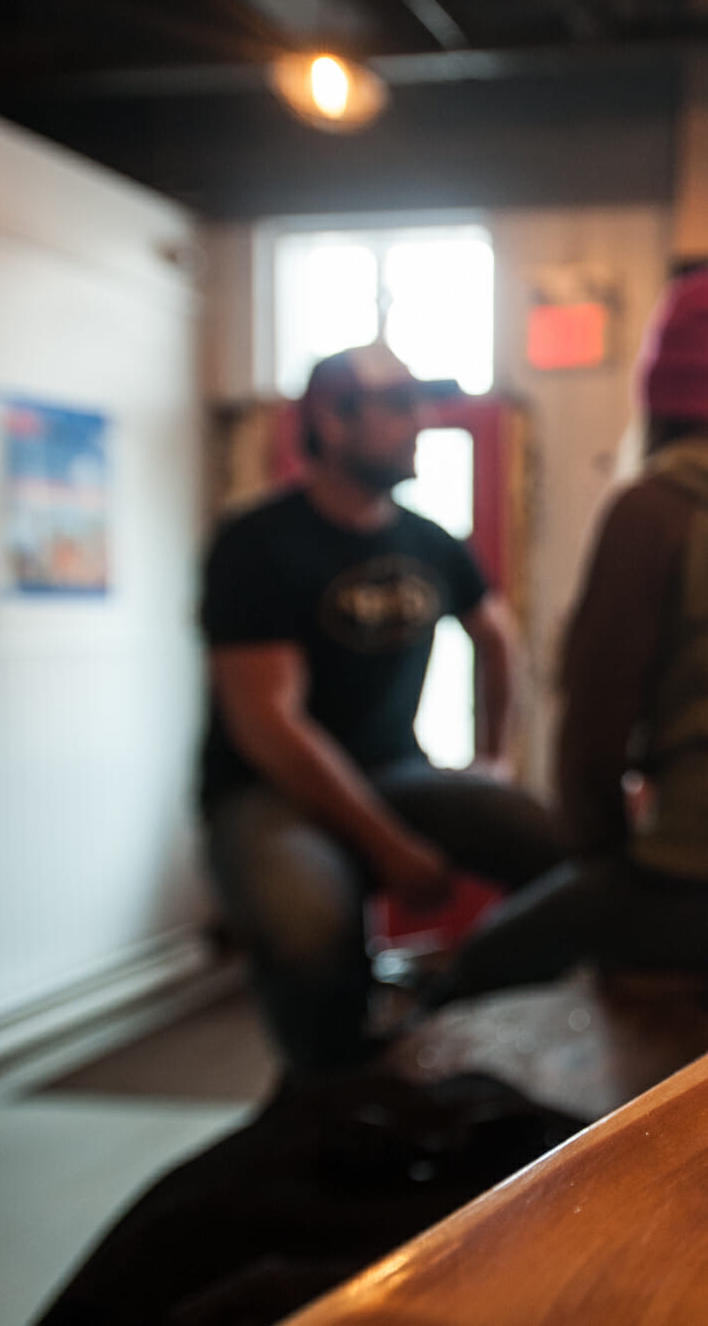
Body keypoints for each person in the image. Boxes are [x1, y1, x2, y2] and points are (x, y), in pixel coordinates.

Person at [431, 266, 708, 1012]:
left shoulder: (655, 506)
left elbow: (590, 741)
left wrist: (608, 862)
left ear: (659, 395)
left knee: (467, 978)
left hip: (704, 881)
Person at [199, 343, 563, 1075]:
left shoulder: (429, 541)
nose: (422, 422)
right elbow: (269, 725)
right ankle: (327, 1093)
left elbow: (499, 642)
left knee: (558, 854)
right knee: (308, 930)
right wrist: (388, 847)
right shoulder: (257, 544)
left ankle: (440, 1024)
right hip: (272, 792)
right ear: (332, 420)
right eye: (398, 406)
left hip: (397, 770)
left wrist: (494, 762)